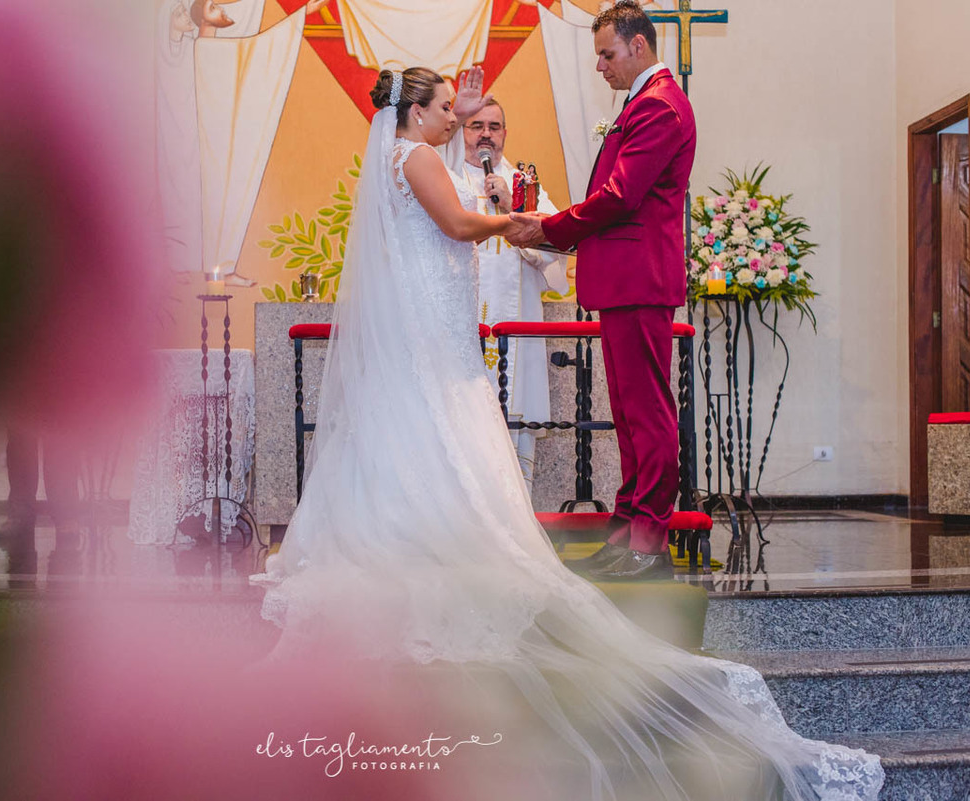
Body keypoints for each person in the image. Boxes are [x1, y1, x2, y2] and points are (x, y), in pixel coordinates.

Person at [250, 65, 882, 800]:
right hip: (433, 326)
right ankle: (441, 539)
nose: (464, 123)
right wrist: (513, 222)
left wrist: (531, 223)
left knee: (442, 436)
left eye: (478, 117)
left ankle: (432, 533)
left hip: (451, 323)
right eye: (453, 111)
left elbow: (545, 263)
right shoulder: (420, 158)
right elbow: (456, 225)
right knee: (443, 433)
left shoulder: (455, 162)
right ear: (416, 111)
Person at [508, 0, 693, 581]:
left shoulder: (660, 106)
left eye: (606, 54)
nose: (599, 67)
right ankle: (627, 530)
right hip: (622, 279)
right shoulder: (641, 102)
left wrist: (549, 227)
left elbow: (619, 196)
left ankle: (649, 541)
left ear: (638, 45)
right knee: (630, 415)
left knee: (648, 414)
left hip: (639, 278)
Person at [444, 94, 567, 489]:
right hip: (459, 326)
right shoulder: (445, 181)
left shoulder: (525, 186)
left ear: (505, 134)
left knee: (512, 431)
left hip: (517, 326)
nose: (486, 135)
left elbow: (556, 247)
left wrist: (513, 204)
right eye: (477, 125)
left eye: (494, 127)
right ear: (462, 130)